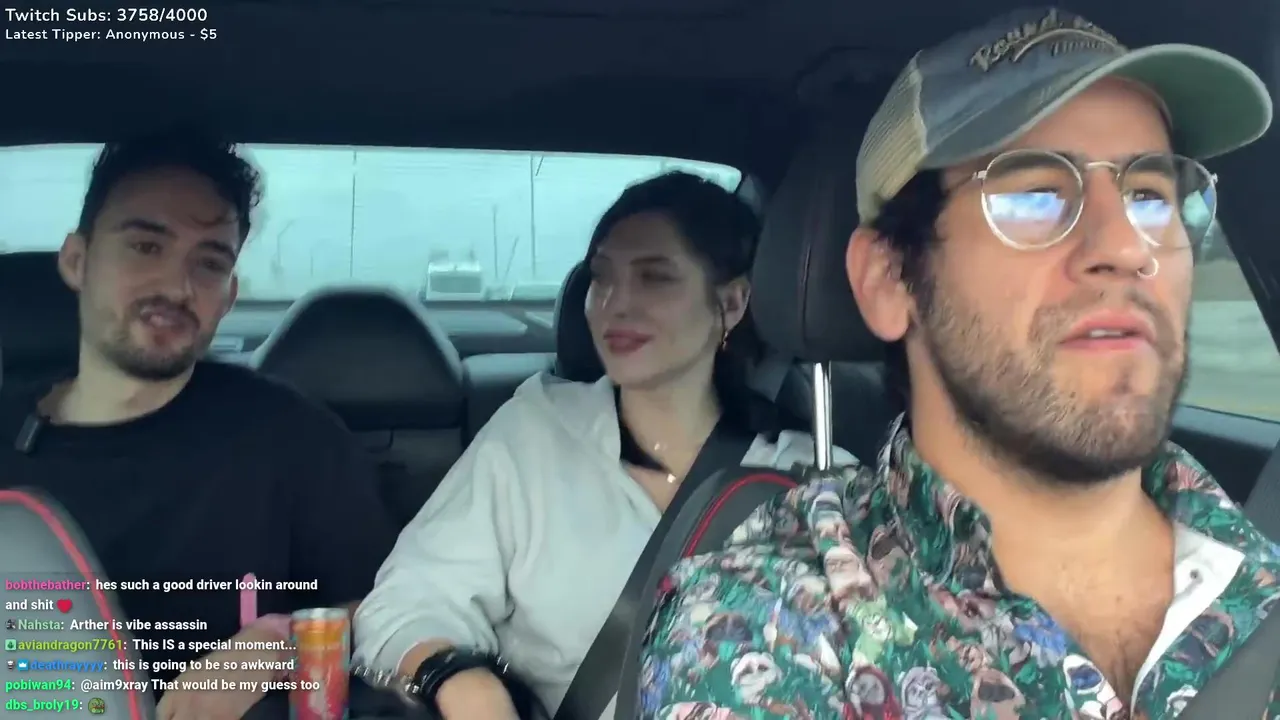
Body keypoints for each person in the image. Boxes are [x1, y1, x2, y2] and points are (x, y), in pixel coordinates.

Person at [639, 7, 1280, 719]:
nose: (1128, 246)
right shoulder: (764, 629)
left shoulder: (1261, 561)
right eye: (1036, 194)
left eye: (1150, 197)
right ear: (890, 281)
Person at [353, 171, 856, 718]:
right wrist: (459, 679)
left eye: (655, 278)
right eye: (601, 278)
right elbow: (407, 601)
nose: (616, 303)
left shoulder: (813, 477)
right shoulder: (536, 433)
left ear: (732, 303)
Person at [0, 127, 398, 719]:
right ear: (77, 261)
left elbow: (396, 605)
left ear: (229, 296)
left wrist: (280, 646)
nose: (177, 287)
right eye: (145, 246)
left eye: (209, 263)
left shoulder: (290, 438)